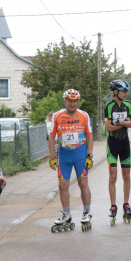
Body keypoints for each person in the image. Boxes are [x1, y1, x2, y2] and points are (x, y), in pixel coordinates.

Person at [48, 89, 94, 232]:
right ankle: (66, 214)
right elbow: (51, 137)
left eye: (75, 101)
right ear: (65, 101)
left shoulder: (84, 115)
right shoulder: (57, 116)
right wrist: (52, 157)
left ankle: (86, 213)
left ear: (78, 102)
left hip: (80, 153)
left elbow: (89, 136)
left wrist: (90, 156)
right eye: (70, 101)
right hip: (64, 154)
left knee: (83, 183)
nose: (73, 103)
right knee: (62, 185)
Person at [105, 80, 131, 224]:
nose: (126, 93)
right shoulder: (109, 106)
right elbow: (109, 128)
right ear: (116, 92)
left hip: (125, 144)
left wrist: (118, 122)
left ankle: (126, 204)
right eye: (124, 91)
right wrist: (126, 122)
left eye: (127, 91)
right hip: (112, 144)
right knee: (113, 176)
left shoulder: (128, 105)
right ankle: (113, 205)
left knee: (127, 175)